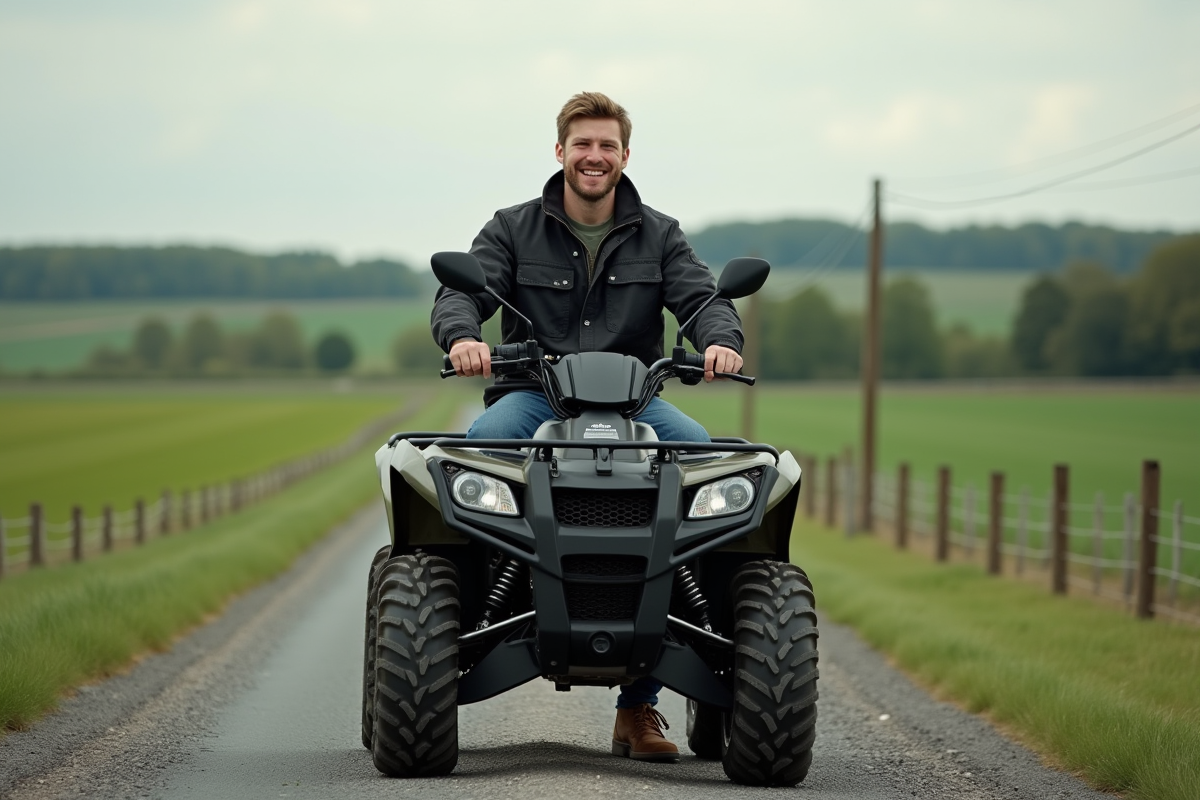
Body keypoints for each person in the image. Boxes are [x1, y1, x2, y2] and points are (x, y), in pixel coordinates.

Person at [430, 91, 745, 763]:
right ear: (560, 152)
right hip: (532, 397)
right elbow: (462, 290)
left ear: (625, 155)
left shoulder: (658, 233)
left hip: (635, 403)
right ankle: (470, 617)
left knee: (709, 473)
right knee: (472, 465)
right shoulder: (512, 228)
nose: (594, 157)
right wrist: (462, 337)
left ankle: (647, 703)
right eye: (582, 145)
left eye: (606, 146)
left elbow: (703, 298)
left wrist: (720, 340)